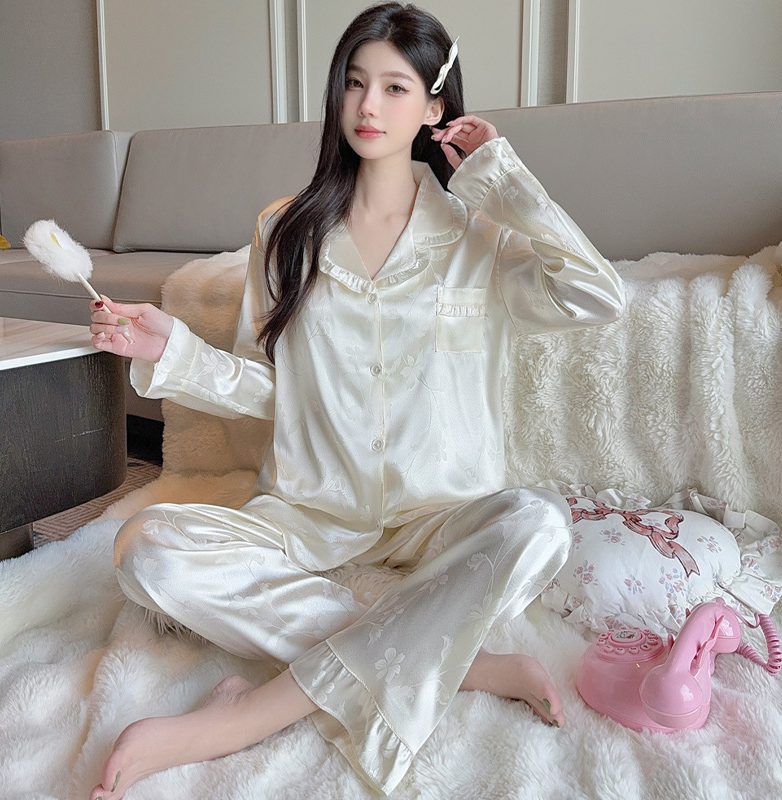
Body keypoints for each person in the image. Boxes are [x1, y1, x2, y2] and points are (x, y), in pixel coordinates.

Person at [88, 3, 624, 798]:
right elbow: (273, 387)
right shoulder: (285, 233)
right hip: (311, 513)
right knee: (147, 549)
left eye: (395, 88)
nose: (368, 106)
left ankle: (245, 716)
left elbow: (596, 296)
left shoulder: (478, 233)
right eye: (355, 83)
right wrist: (173, 351)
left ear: (435, 107)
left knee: (539, 525)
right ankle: (464, 662)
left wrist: (501, 177)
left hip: (441, 515)